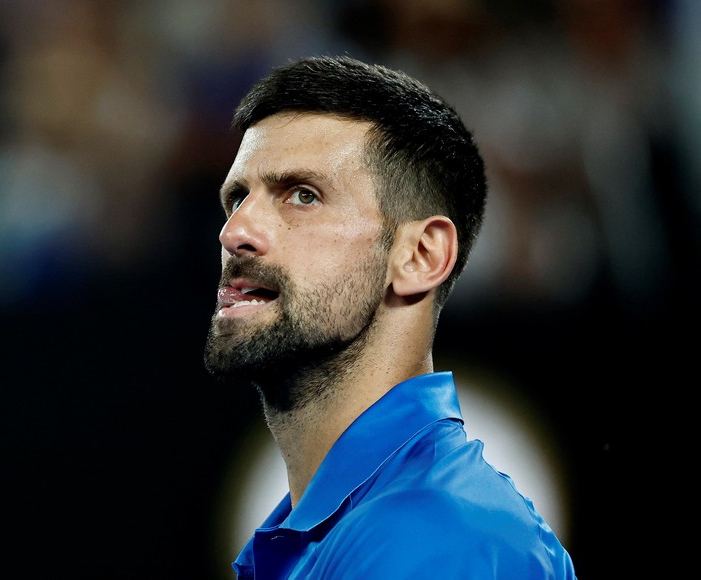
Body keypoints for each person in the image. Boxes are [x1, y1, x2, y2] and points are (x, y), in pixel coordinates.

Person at [203, 55, 577, 579]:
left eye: (302, 196)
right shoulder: (348, 534)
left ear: (421, 256)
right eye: (237, 197)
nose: (235, 232)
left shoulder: (439, 538)